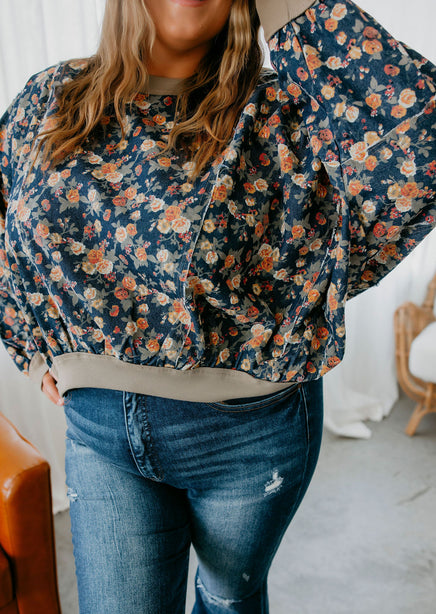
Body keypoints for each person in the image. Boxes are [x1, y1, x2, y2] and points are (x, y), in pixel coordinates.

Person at [0, 0, 434, 611]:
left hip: (251, 434)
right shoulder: (49, 99)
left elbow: (421, 144)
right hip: (98, 433)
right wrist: (27, 342)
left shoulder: (285, 111)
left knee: (228, 598)